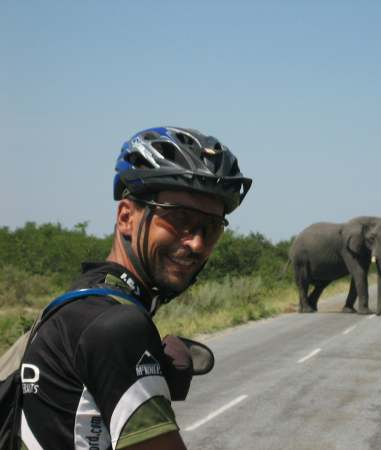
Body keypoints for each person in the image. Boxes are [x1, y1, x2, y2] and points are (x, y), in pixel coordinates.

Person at [19, 127, 252, 449]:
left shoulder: (78, 304)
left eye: (211, 228)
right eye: (178, 219)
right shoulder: (117, 325)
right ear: (127, 216)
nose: (196, 242)